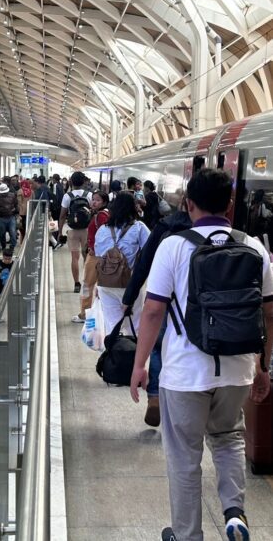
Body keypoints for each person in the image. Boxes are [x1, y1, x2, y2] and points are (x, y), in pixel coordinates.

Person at [130, 168, 273, 541]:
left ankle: (188, 534)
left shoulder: (173, 246)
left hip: (185, 373)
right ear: (230, 204)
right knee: (228, 437)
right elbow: (269, 313)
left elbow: (153, 311)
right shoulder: (254, 247)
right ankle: (234, 513)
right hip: (238, 369)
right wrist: (262, 366)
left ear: (188, 203)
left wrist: (140, 364)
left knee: (184, 456)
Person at [122, 204, 192, 427]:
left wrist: (129, 297)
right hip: (195, 305)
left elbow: (143, 264)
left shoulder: (165, 228)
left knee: (157, 346)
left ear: (187, 203)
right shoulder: (227, 236)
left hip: (163, 298)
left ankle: (154, 397)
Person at [94, 192, 150, 335]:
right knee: (134, 325)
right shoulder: (139, 227)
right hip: (130, 284)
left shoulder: (102, 229)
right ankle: (130, 348)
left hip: (105, 284)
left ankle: (112, 348)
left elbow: (99, 258)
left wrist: (97, 284)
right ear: (133, 207)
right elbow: (150, 253)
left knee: (112, 325)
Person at [72, 190, 110, 324]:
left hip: (96, 256)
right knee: (100, 286)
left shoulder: (101, 216)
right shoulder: (104, 214)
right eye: (93, 199)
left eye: (98, 200)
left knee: (87, 284)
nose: (94, 202)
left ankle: (85, 314)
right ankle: (99, 314)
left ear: (104, 202)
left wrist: (94, 248)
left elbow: (104, 235)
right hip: (102, 255)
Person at [58, 171, 93, 292]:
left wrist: (60, 232)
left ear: (71, 182)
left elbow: (62, 216)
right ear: (84, 182)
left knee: (74, 257)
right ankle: (86, 282)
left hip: (72, 230)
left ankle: (76, 283)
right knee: (87, 257)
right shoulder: (89, 195)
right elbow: (93, 212)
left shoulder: (67, 196)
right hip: (87, 229)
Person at [0, 183, 19, 250]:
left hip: (11, 217)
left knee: (13, 233)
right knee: (2, 234)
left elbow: (16, 205)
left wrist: (16, 212)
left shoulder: (12, 196)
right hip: (2, 217)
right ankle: (3, 246)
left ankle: (12, 246)